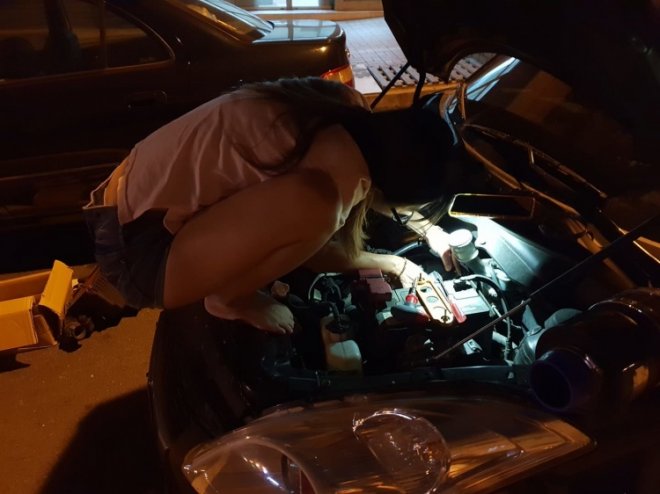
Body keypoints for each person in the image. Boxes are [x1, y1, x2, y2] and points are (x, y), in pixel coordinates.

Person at [83, 77, 461, 334]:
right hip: (137, 254)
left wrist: (428, 231)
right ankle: (231, 301)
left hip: (124, 196)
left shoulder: (341, 105)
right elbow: (319, 253)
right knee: (316, 207)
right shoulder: (327, 189)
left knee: (315, 205)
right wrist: (396, 263)